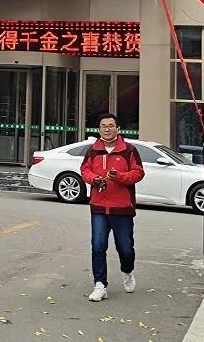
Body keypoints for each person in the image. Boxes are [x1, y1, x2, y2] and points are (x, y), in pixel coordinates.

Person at [80, 112, 145, 301]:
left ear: (118, 128)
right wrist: (94, 179)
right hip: (99, 207)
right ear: (99, 129)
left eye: (110, 126)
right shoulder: (93, 150)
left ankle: (127, 270)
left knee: (125, 248)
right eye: (103, 126)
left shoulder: (129, 150)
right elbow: (85, 170)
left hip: (122, 207)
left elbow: (139, 173)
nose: (107, 129)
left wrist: (120, 177)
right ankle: (100, 285)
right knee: (98, 246)